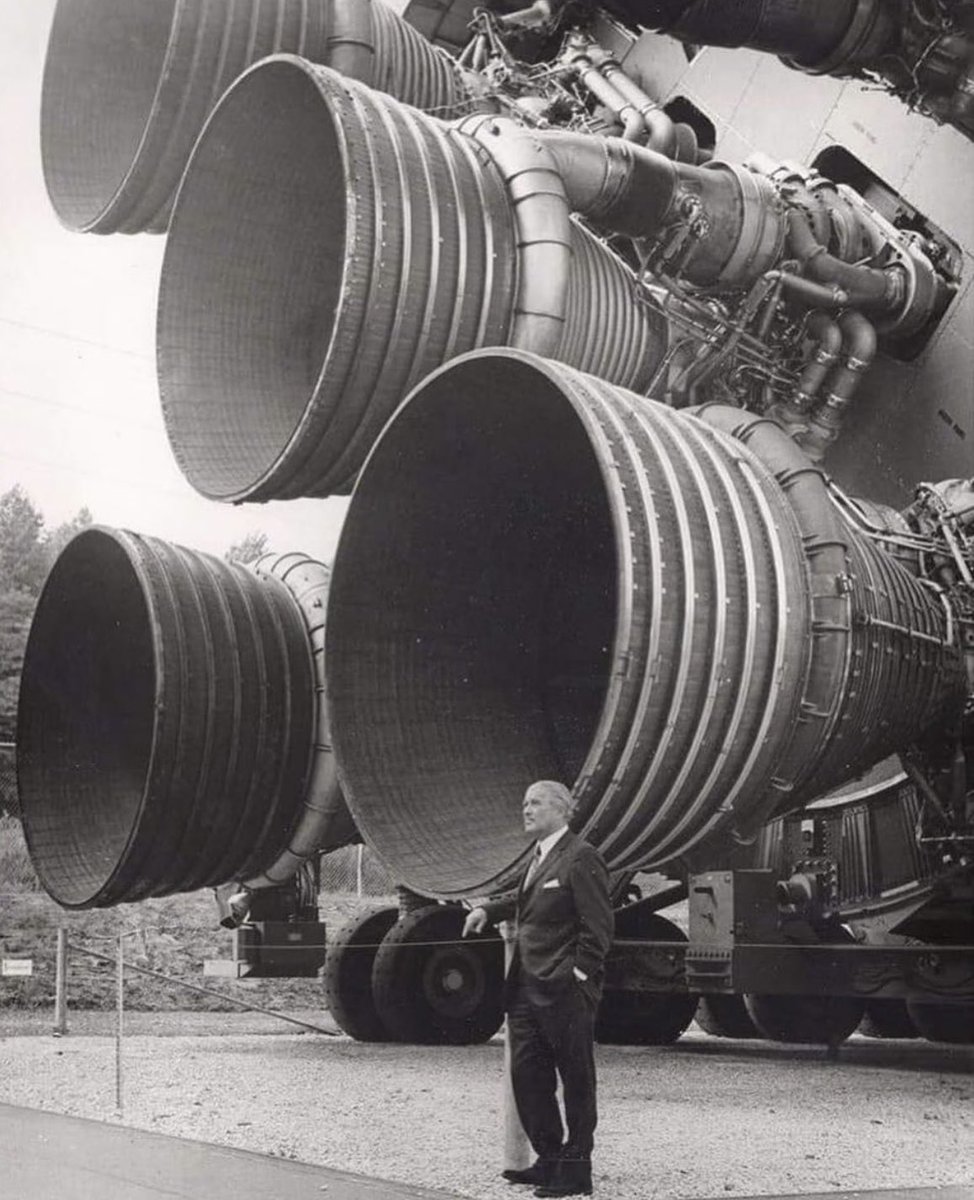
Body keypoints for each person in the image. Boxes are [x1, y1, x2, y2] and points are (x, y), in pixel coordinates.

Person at [463, 780, 613, 1198]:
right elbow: (526, 898)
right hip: (527, 989)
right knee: (528, 1075)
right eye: (524, 802)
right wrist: (487, 909)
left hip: (564, 990)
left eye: (536, 803)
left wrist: (578, 977)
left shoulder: (582, 858)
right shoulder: (540, 856)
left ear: (562, 810)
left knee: (576, 1078)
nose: (526, 810)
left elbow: (598, 929)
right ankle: (549, 1159)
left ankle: (576, 1168)